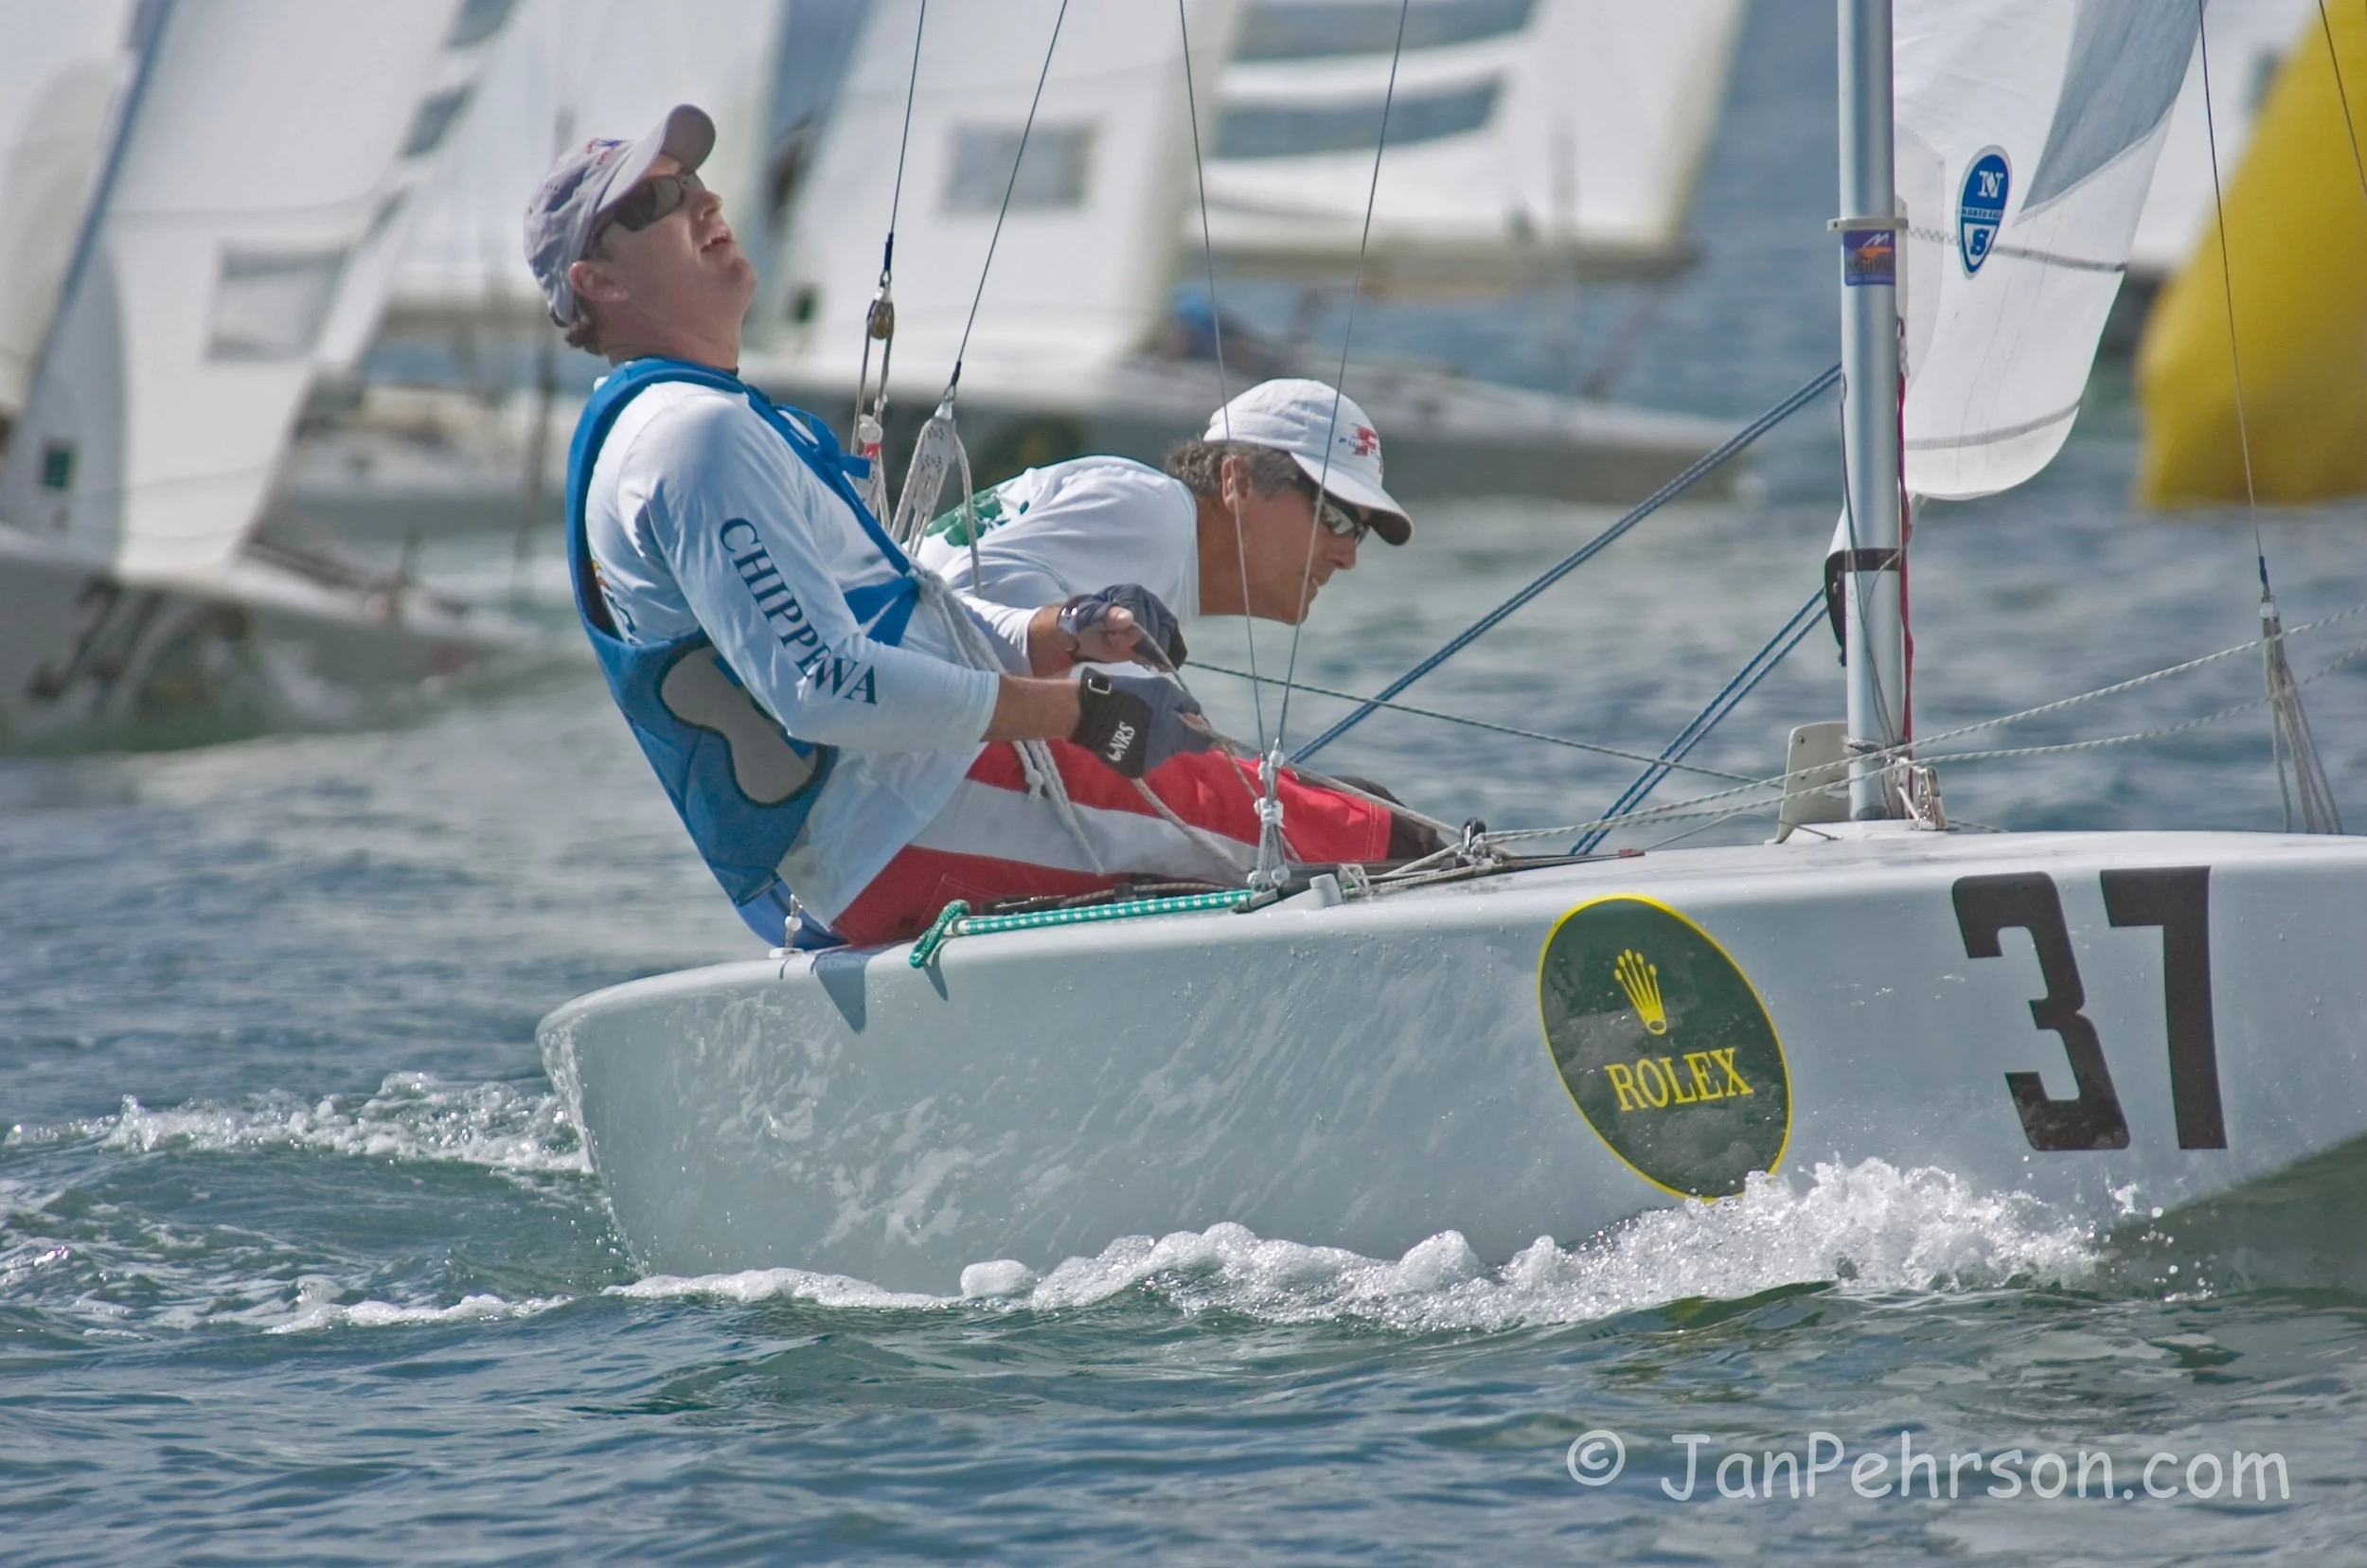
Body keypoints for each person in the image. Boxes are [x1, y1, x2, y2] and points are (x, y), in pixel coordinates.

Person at [525, 105, 1405, 949]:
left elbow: (898, 616)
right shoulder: (690, 436)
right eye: (655, 202)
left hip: (905, 812)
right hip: (913, 815)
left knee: (1329, 810)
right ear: (595, 283)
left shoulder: (705, 422)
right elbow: (824, 685)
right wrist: (1079, 712)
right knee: (1376, 841)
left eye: (697, 183)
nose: (704, 203)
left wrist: (1049, 634)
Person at [914, 379, 1414, 641]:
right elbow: (960, 592)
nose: (1347, 555)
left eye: (1359, 533)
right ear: (1237, 481)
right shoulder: (1154, 517)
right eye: (1336, 517)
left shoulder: (1154, 538)